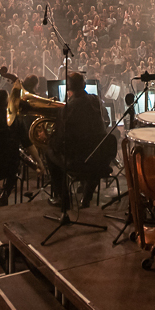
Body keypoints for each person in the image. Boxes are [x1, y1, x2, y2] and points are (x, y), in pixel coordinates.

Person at [46, 72, 112, 208]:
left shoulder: (68, 108)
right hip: (100, 159)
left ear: (68, 89)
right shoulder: (96, 100)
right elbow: (106, 121)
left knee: (50, 151)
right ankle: (87, 196)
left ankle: (63, 198)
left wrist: (47, 139)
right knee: (92, 148)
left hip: (79, 161)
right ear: (84, 85)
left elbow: (60, 141)